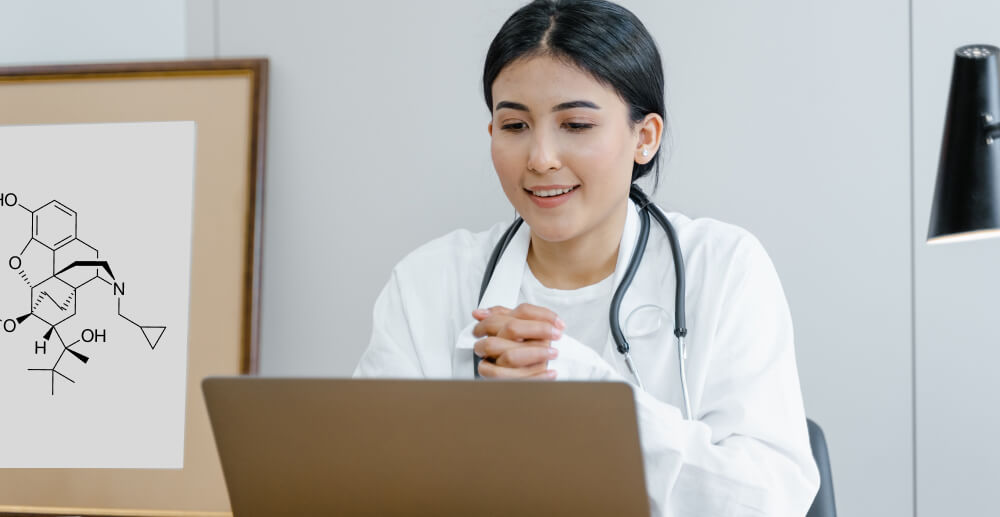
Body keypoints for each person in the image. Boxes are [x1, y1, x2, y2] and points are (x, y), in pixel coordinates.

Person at [353, 0, 820, 514]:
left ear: (645, 138)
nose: (541, 158)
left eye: (575, 124)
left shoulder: (723, 267)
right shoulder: (428, 282)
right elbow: (369, 484)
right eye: (514, 126)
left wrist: (593, 399)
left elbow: (769, 500)